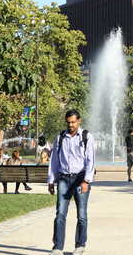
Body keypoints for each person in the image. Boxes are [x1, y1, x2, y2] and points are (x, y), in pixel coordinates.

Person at [47, 109, 95, 255]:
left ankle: (80, 245)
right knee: (60, 214)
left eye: (73, 122)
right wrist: (51, 180)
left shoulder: (86, 137)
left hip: (80, 179)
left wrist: (86, 181)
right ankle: (57, 247)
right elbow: (54, 160)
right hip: (63, 179)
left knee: (81, 215)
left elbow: (90, 160)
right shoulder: (60, 137)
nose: (71, 125)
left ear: (79, 121)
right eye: (68, 122)